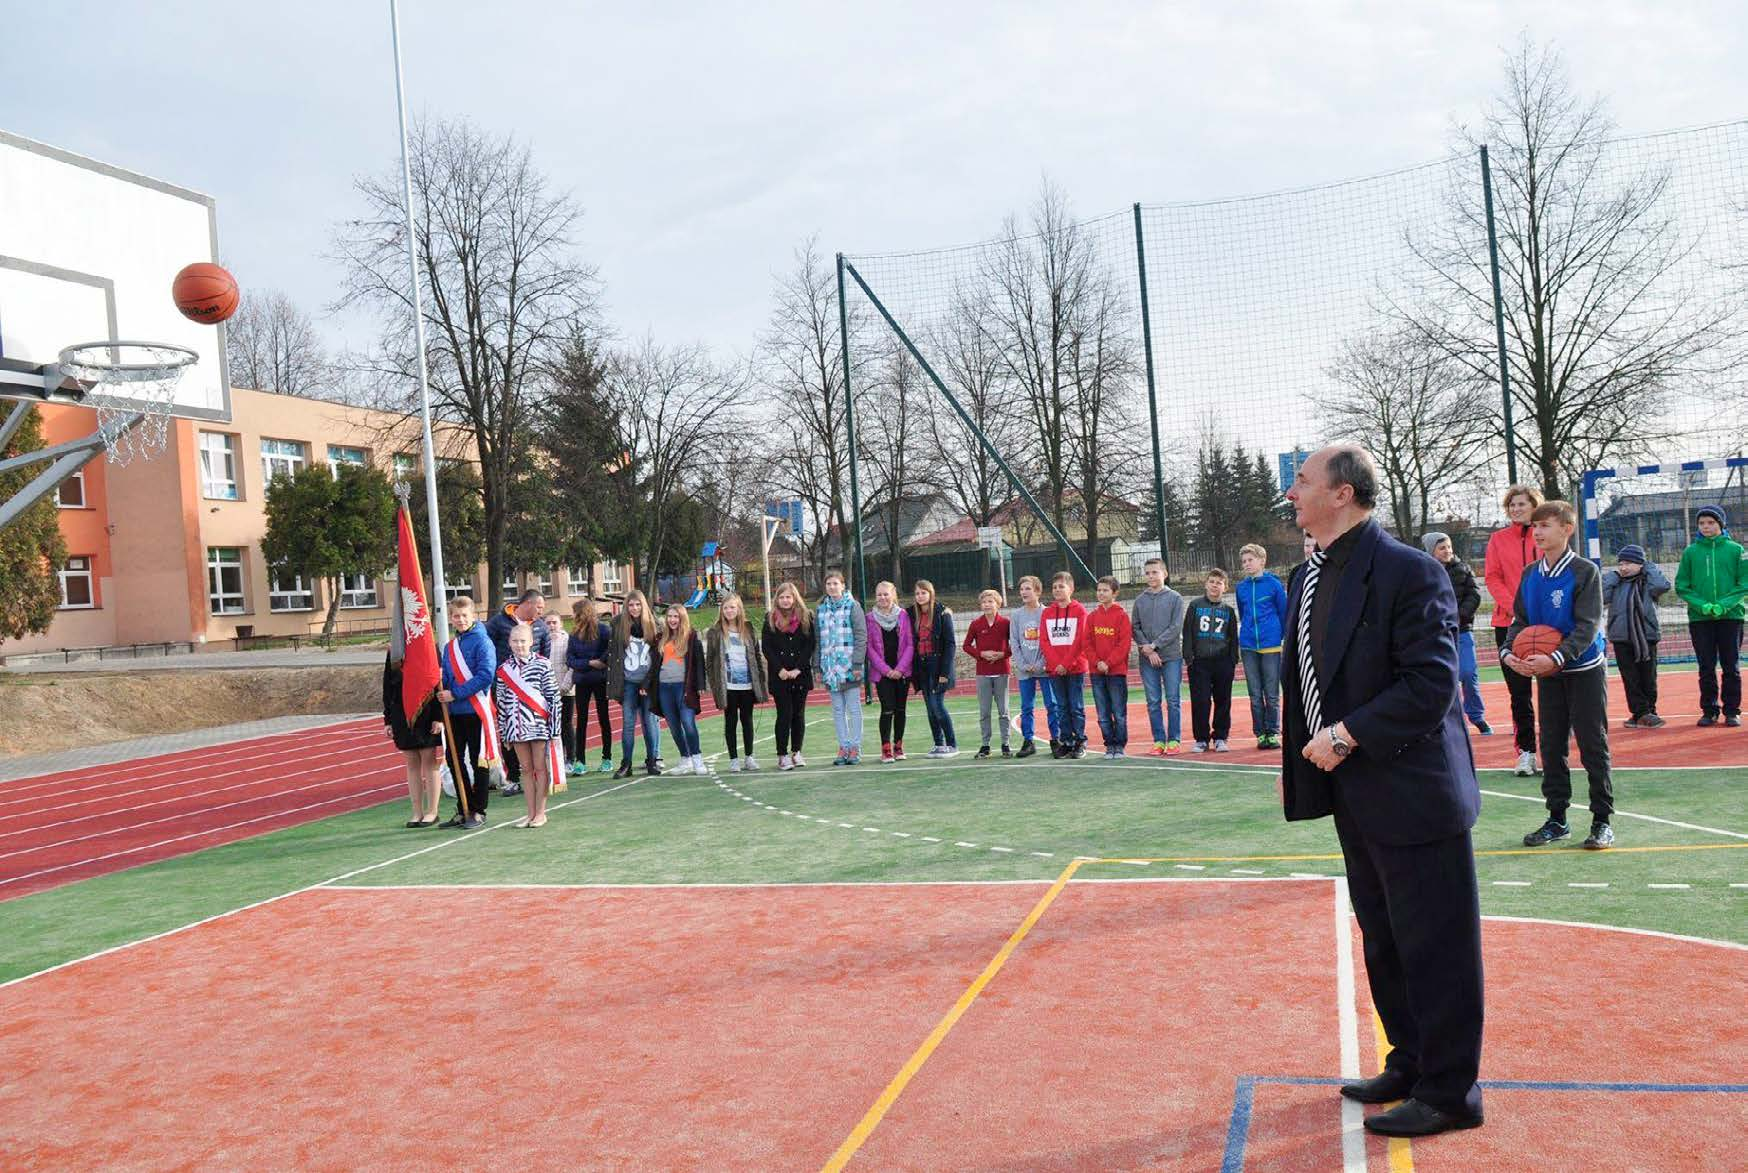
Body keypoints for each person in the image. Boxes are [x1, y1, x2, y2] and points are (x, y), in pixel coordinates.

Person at [1281, 444, 1484, 1138]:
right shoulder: (1308, 574)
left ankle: (1452, 1091)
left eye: (1302, 481)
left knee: (1437, 945)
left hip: (1415, 789)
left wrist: (1344, 735)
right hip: (1356, 793)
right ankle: (1411, 1061)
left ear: (1342, 493)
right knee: (1387, 941)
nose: (1291, 492)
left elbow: (1430, 684)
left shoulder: (1410, 570)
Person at [1505, 501, 1614, 850]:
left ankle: (1601, 821)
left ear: (1566, 529)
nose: (1537, 532)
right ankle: (1557, 819)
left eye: (1545, 526)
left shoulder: (1585, 572)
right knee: (1551, 746)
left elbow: (1587, 626)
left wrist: (1555, 656)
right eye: (1534, 526)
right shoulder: (1530, 574)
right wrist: (1510, 654)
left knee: (1592, 744)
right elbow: (1520, 622)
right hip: (1547, 671)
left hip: (1582, 668)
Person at [1485, 486, 1543, 775]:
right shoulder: (1497, 539)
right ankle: (1526, 752)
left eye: (1522, 504)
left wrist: (1540, 609)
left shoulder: (1546, 535)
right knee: (1519, 694)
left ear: (1534, 505)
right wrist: (1515, 608)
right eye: (1511, 505)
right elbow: (1492, 578)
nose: (1516, 509)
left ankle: (1553, 750)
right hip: (1508, 624)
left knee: (1552, 690)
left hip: (1545, 623)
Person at [1674, 505, 1748, 727]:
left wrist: (1723, 606)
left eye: (1711, 523)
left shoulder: (1737, 550)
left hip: (1731, 617)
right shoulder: (1690, 552)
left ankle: (1732, 710)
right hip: (1700, 619)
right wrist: (1702, 605)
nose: (1706, 527)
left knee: (1731, 666)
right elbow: (1682, 586)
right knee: (1706, 666)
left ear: (1721, 524)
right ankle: (1709, 710)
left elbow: (1744, 584)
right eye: (1702, 523)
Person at [494, 622, 562, 827]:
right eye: (515, 641)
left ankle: (541, 812)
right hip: (516, 727)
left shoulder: (542, 664)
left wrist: (555, 729)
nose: (519, 645)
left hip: (539, 726)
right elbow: (501, 704)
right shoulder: (504, 670)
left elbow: (553, 697)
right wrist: (504, 733)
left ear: (531, 642)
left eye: (523, 641)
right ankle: (530, 813)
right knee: (525, 769)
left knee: (540, 768)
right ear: (509, 642)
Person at [1423, 533, 1491, 736]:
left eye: (1449, 547)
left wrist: (1460, 616)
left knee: (1469, 673)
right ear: (1431, 551)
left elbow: (1474, 594)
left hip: (1462, 630)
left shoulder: (1463, 569)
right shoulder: (1423, 572)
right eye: (1442, 548)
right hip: (1435, 633)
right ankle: (1444, 719)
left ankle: (1477, 717)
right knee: (1440, 678)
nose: (1448, 551)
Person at [438, 596, 498, 829]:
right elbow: (445, 678)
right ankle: (464, 807)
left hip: (474, 709)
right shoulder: (449, 646)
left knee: (478, 760)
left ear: (473, 615)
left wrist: (456, 694)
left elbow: (485, 676)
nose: (460, 620)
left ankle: (478, 810)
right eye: (456, 616)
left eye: (465, 615)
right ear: (451, 618)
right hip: (454, 712)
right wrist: (442, 689)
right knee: (454, 761)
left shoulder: (483, 642)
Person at [485, 589, 551, 797]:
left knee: (535, 735)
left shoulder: (540, 627)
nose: (542, 611)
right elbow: (486, 647)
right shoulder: (498, 622)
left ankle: (538, 776)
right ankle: (514, 776)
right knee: (509, 731)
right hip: (505, 687)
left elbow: (545, 653)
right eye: (539, 607)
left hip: (534, 695)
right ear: (527, 604)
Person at [1603, 545, 1671, 729]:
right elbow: (1600, 596)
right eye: (1621, 563)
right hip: (1621, 637)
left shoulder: (1648, 582)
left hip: (1646, 636)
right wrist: (1612, 577)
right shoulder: (1616, 584)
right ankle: (1641, 712)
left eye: (1629, 563)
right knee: (1630, 677)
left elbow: (1662, 586)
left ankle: (1648, 711)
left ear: (1641, 564)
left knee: (1648, 676)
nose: (1624, 567)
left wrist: (1649, 567)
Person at [705, 592, 768, 772]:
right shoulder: (715, 631)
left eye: (732, 607)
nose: (729, 611)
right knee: (730, 721)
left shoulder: (748, 629)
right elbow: (710, 661)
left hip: (747, 684)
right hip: (728, 686)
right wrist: (715, 684)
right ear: (721, 610)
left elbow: (756, 654)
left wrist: (761, 679)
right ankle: (733, 759)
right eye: (725, 608)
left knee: (747, 720)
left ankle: (749, 757)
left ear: (739, 608)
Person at [1236, 544, 1289, 750]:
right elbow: (1243, 613)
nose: (1247, 564)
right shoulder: (1241, 588)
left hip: (1271, 645)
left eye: (1250, 560)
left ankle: (1272, 732)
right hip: (1248, 645)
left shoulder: (1274, 585)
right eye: (1244, 561)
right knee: (1255, 693)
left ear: (1261, 561)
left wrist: (1281, 637)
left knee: (1272, 692)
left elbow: (1284, 613)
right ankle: (1260, 733)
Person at [382, 651, 444, 827]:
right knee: (411, 763)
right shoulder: (394, 650)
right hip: (401, 713)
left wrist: (438, 717)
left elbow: (436, 682)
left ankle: (432, 811)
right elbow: (388, 686)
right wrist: (388, 720)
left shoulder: (429, 646)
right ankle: (417, 812)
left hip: (426, 710)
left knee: (429, 761)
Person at [1132, 557, 1185, 756]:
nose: (1151, 576)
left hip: (1171, 656)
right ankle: (1158, 740)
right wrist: (1147, 648)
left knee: (1173, 699)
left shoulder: (1175, 598)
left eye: (1155, 572)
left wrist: (1155, 645)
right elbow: (1135, 627)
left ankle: (1174, 740)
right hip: (1147, 658)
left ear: (1165, 574)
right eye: (1148, 573)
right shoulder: (1140, 600)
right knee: (1153, 701)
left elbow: (1175, 627)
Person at [607, 589, 662, 779]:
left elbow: (657, 658)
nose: (635, 608)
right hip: (628, 681)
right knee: (628, 723)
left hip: (647, 682)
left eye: (638, 604)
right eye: (631, 605)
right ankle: (626, 763)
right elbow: (612, 653)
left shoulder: (654, 624)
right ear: (626, 606)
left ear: (643, 605)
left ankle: (652, 760)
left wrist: (647, 683)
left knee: (649, 722)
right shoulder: (618, 624)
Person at [815, 569, 867, 766]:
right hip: (830, 669)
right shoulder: (821, 610)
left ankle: (855, 746)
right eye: (829, 584)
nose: (832, 587)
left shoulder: (853, 607)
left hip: (849, 667)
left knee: (853, 708)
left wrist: (857, 663)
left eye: (836, 583)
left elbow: (861, 636)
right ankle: (843, 746)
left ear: (843, 586)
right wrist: (818, 667)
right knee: (837, 709)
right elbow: (818, 640)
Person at [762, 581, 816, 770]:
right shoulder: (770, 618)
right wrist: (780, 670)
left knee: (798, 715)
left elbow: (810, 645)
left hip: (800, 675)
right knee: (784, 714)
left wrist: (798, 669)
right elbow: (767, 648)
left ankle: (797, 752)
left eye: (789, 597)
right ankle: (782, 755)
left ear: (794, 598)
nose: (785, 600)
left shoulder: (806, 617)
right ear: (777, 599)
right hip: (780, 677)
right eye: (782, 597)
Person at [1184, 569, 1239, 753]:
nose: (1215, 585)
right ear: (1206, 584)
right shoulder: (1194, 606)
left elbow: (1233, 637)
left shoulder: (1229, 611)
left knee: (1223, 700)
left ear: (1225, 587)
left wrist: (1233, 660)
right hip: (1199, 663)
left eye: (1219, 582)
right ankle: (1201, 738)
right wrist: (1189, 657)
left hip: (1222, 662)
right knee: (1200, 700)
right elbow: (1188, 633)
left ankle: (1221, 737)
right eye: (1212, 581)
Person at [1008, 575, 1059, 758]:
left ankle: (1056, 739)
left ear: (1037, 591)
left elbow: (1050, 641)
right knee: (1026, 707)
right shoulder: (1016, 615)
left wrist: (1041, 664)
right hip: (1024, 670)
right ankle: (1028, 741)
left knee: (1051, 704)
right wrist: (1022, 664)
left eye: (1028, 589)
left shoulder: (1047, 613)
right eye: (1021, 589)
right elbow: (1014, 641)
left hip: (1044, 668)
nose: (1024, 592)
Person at [907, 580, 959, 757]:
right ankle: (938, 743)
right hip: (921, 666)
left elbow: (951, 644)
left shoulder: (942, 613)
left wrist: (945, 672)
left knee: (937, 705)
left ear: (931, 593)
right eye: (917, 593)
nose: (920, 596)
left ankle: (952, 744)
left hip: (938, 666)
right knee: (929, 708)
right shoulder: (910, 613)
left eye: (924, 593)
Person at [655, 603, 708, 776]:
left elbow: (699, 661)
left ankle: (697, 758)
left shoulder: (691, 637)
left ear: (682, 618)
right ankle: (685, 758)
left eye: (676, 616)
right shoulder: (661, 638)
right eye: (669, 616)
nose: (672, 620)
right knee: (673, 726)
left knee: (687, 722)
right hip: (664, 688)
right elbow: (655, 664)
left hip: (684, 687)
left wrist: (700, 684)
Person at [1041, 571, 1089, 759]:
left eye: (1061, 586)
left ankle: (1080, 741)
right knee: (1061, 706)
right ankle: (1067, 741)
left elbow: (1080, 639)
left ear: (1071, 588)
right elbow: (1044, 640)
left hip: (1075, 668)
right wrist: (1056, 664)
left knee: (1075, 706)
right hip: (1055, 669)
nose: (1057, 590)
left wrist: (1066, 663)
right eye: (1054, 587)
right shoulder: (1047, 612)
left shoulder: (1079, 610)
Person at [866, 581, 915, 763]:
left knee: (901, 709)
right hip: (882, 673)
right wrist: (887, 671)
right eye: (879, 594)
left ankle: (898, 746)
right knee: (887, 710)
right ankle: (886, 748)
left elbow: (910, 644)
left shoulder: (903, 616)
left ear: (893, 595)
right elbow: (869, 648)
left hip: (902, 672)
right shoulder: (869, 618)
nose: (883, 598)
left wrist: (900, 669)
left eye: (886, 594)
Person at [962, 588, 1013, 758]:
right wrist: (980, 654)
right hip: (983, 673)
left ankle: (1006, 744)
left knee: (1003, 710)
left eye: (990, 601)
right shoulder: (976, 624)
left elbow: (1015, 645)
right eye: (984, 602)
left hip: (1002, 672)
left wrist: (1002, 654)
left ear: (998, 604)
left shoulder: (1006, 623)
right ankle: (985, 745)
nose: (987, 604)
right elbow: (966, 645)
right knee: (984, 711)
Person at [566, 598, 615, 774]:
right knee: (582, 720)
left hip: (600, 680)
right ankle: (580, 761)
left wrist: (601, 662)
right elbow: (570, 659)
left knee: (604, 718)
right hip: (582, 681)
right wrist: (590, 662)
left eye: (575, 613)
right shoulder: (573, 634)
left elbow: (610, 650)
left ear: (582, 613)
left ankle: (607, 758)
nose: (573, 616)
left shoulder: (603, 629)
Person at [1087, 575, 1132, 759]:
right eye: (1099, 590)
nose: (1101, 593)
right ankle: (1109, 744)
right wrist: (1097, 662)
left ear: (1115, 593)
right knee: (1103, 713)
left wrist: (1109, 662)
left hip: (1116, 673)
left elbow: (1124, 644)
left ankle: (1119, 745)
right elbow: (1087, 643)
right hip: (1097, 672)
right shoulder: (1092, 617)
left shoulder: (1121, 616)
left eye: (1105, 590)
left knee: (1118, 712)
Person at [544, 614, 577, 779]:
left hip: (565, 691)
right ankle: (552, 759)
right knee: (547, 727)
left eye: (554, 622)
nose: (551, 625)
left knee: (565, 724)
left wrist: (565, 686)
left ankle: (570, 758)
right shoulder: (542, 641)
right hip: (546, 693)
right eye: (548, 623)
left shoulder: (568, 640)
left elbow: (572, 665)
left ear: (561, 623)